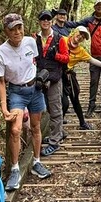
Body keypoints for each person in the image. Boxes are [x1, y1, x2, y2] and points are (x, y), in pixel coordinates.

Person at [0, 13, 51, 190]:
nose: (17, 32)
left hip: (35, 89)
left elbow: (36, 61)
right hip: (16, 91)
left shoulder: (31, 42)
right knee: (16, 129)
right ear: (6, 31)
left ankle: (37, 162)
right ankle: (15, 168)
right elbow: (1, 81)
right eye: (12, 29)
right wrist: (3, 106)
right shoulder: (0, 53)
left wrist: (40, 78)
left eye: (19, 27)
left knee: (36, 126)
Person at [64, 26, 101, 129]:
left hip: (69, 76)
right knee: (64, 103)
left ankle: (82, 123)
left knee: (75, 99)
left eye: (83, 37)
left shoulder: (81, 51)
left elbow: (93, 60)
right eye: (80, 33)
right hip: (57, 76)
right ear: (74, 32)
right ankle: (57, 128)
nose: (80, 37)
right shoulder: (62, 40)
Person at [34, 10, 70, 157]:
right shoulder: (34, 38)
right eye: (43, 19)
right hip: (39, 77)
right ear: (39, 21)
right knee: (46, 108)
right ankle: (57, 132)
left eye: (48, 19)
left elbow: (67, 58)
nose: (46, 21)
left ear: (51, 21)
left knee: (55, 109)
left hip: (54, 78)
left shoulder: (59, 38)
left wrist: (56, 55)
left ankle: (55, 141)